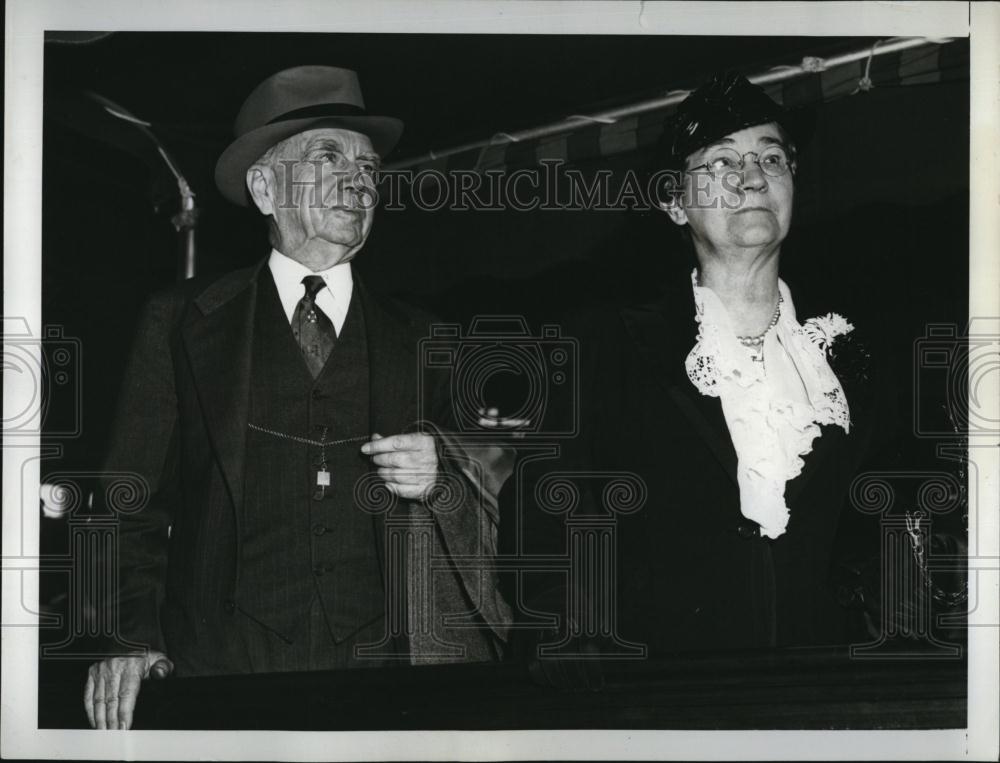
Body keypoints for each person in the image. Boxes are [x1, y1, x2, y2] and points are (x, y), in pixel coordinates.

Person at [83, 66, 509, 729]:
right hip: (215, 676)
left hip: (385, 681)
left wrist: (443, 468)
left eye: (369, 168)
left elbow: (500, 490)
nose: (358, 180)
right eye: (328, 156)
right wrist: (130, 637)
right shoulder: (179, 320)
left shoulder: (429, 337)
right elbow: (126, 501)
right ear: (263, 187)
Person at [500, 71, 891, 680]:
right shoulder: (604, 347)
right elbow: (543, 543)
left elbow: (877, 540)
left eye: (771, 157)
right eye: (722, 162)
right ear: (674, 202)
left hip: (822, 699)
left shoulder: (847, 360)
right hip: (658, 703)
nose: (753, 177)